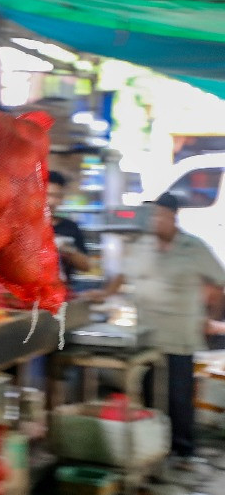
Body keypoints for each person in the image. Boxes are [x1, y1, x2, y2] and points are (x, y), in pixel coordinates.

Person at [87, 193, 225, 463]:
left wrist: (211, 317)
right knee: (151, 392)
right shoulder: (141, 245)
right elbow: (122, 275)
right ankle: (155, 445)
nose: (154, 220)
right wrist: (104, 294)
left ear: (173, 216)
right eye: (152, 215)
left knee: (178, 394)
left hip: (180, 333)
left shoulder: (193, 247)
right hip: (147, 334)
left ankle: (183, 448)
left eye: (160, 215)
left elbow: (219, 284)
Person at [47, 170, 90, 285]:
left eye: (56, 196)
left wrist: (67, 249)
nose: (51, 201)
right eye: (46, 195)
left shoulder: (69, 227)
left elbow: (85, 266)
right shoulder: (25, 227)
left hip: (61, 294)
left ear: (61, 198)